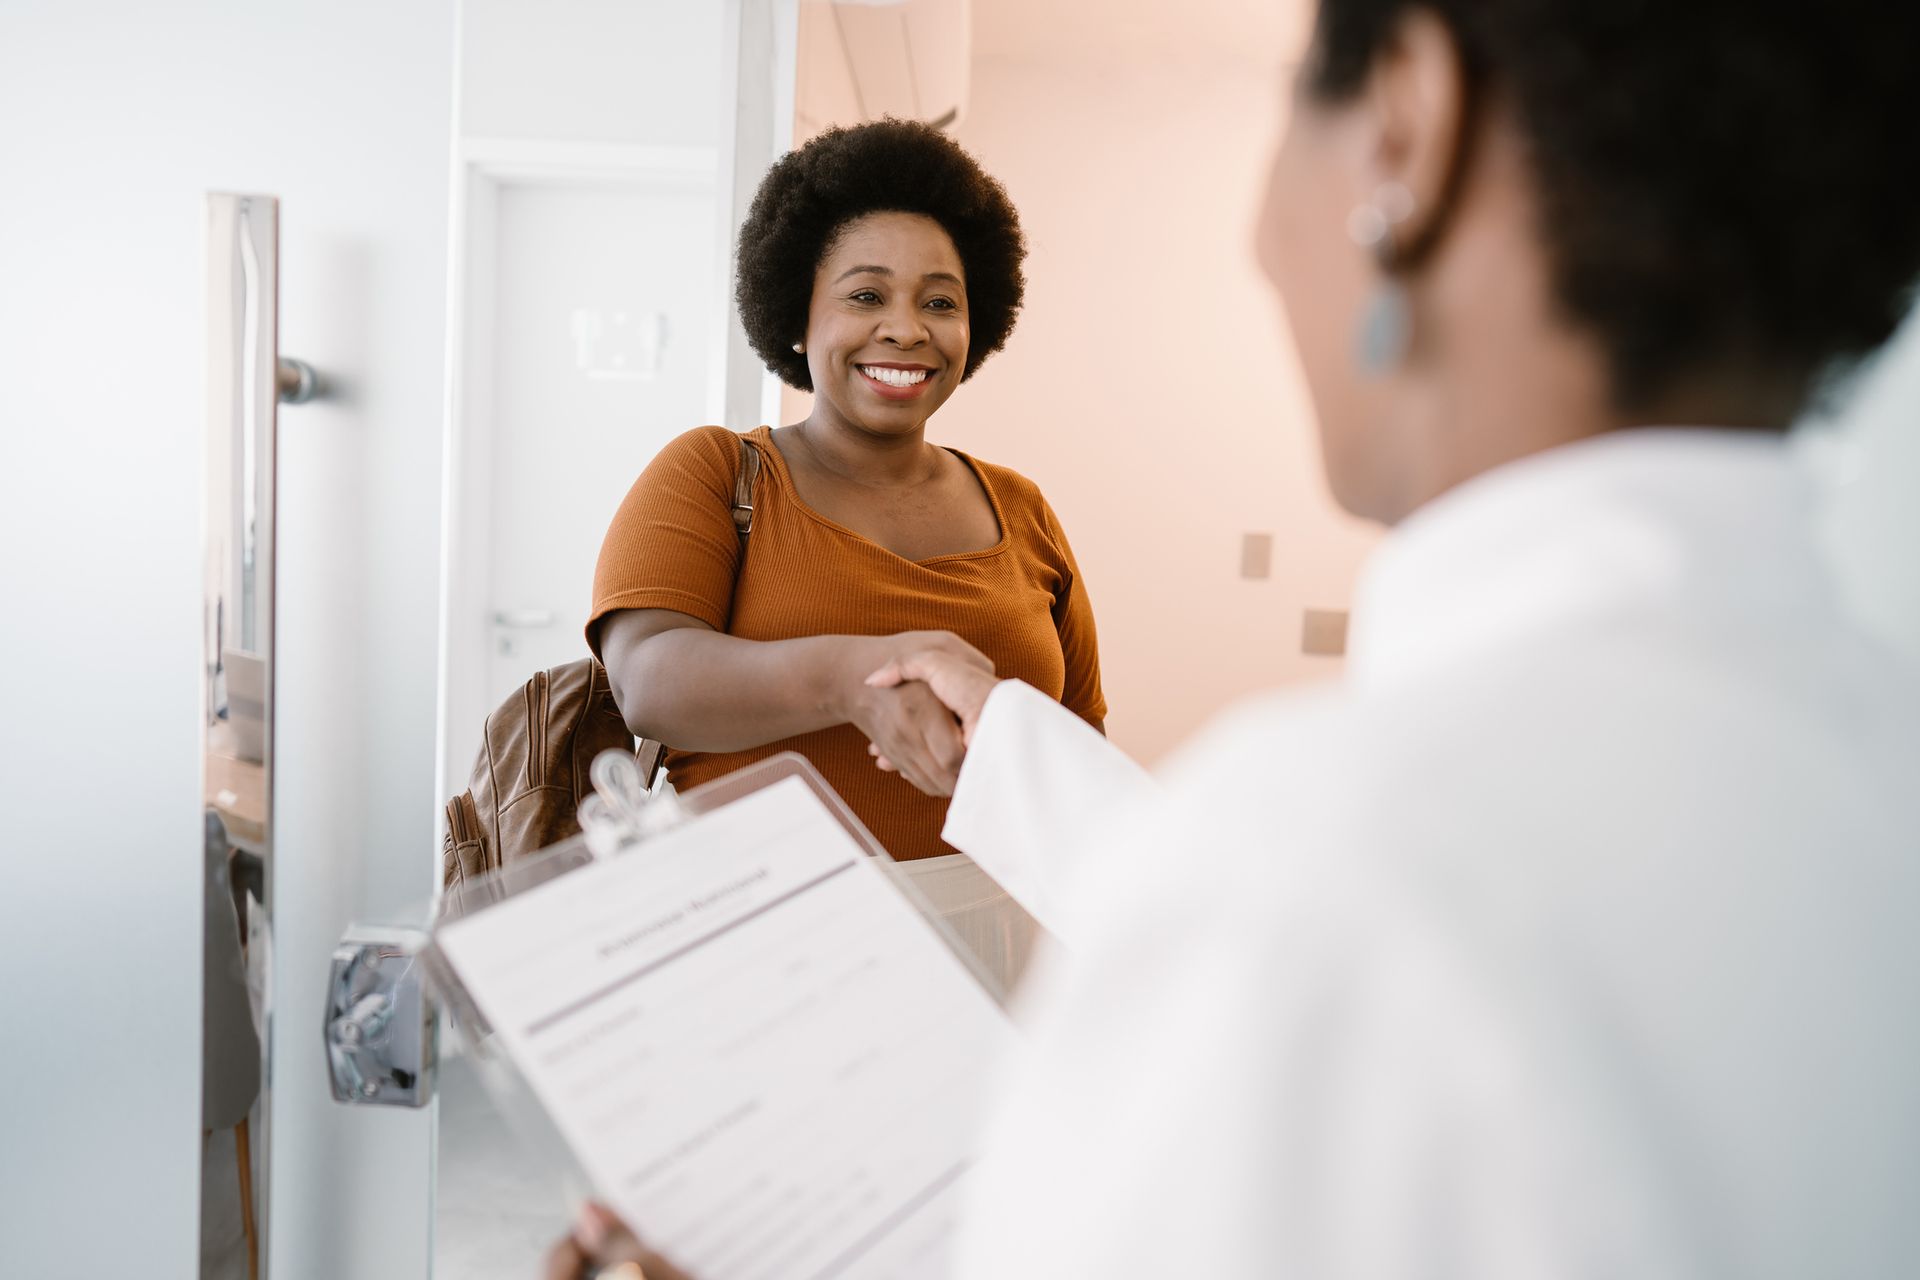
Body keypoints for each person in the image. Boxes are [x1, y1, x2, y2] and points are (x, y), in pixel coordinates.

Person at [551, 0, 1920, 1275]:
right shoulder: (1874, 759)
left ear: (1407, 121)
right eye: (866, 292)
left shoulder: (1303, 881)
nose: (1268, 247)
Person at [588, 120, 1105, 987]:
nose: (906, 329)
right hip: (760, 959)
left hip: (995, 964)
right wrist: (860, 680)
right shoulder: (717, 473)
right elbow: (650, 682)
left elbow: (1078, 738)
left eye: (940, 302)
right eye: (866, 297)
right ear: (798, 315)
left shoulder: (1022, 511)